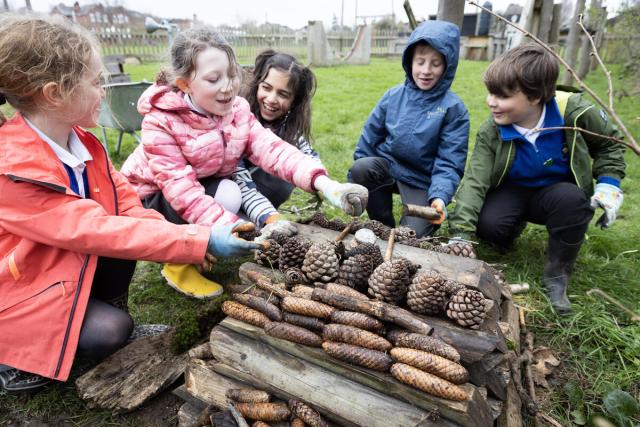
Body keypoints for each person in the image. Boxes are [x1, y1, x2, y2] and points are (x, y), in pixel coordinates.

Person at [0, 14, 263, 392]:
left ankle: (99, 311)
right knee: (111, 331)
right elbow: (94, 229)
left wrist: (191, 237)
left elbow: (128, 209)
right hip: (21, 287)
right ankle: (12, 354)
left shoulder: (82, 143)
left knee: (132, 236)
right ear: (55, 93)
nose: (104, 91)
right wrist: (202, 241)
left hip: (61, 266)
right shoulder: (13, 170)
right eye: (96, 82)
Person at [121, 27, 367, 297]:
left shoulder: (236, 110)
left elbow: (273, 150)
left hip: (199, 187)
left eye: (231, 74)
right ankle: (179, 263)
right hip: (150, 200)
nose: (228, 86)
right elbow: (181, 191)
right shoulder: (160, 121)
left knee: (229, 194)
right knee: (227, 196)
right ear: (185, 84)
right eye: (214, 79)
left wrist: (326, 185)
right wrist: (232, 229)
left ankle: (197, 247)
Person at [448, 44, 626, 314]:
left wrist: (609, 184)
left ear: (535, 97)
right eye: (490, 93)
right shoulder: (492, 129)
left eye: (502, 95)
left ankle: (557, 274)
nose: (490, 102)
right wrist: (461, 234)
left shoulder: (574, 113)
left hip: (556, 193)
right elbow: (475, 180)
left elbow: (610, 144)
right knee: (491, 225)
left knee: (574, 201)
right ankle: (509, 230)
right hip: (513, 190)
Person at [348, 20, 469, 238]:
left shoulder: (454, 109)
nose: (425, 71)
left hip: (422, 180)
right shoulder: (392, 96)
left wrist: (439, 196)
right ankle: (382, 225)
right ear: (409, 61)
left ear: (448, 66)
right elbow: (369, 137)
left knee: (411, 235)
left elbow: (449, 162)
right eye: (420, 62)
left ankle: (415, 226)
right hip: (389, 168)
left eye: (435, 63)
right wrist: (354, 183)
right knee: (362, 168)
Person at [237, 49, 322, 216]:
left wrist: (329, 186)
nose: (271, 99)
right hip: (227, 189)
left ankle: (258, 215)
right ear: (257, 84)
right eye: (266, 88)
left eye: (282, 94)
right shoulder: (239, 114)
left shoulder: (287, 127)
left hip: (256, 199)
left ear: (294, 101)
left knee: (289, 171)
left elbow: (309, 156)